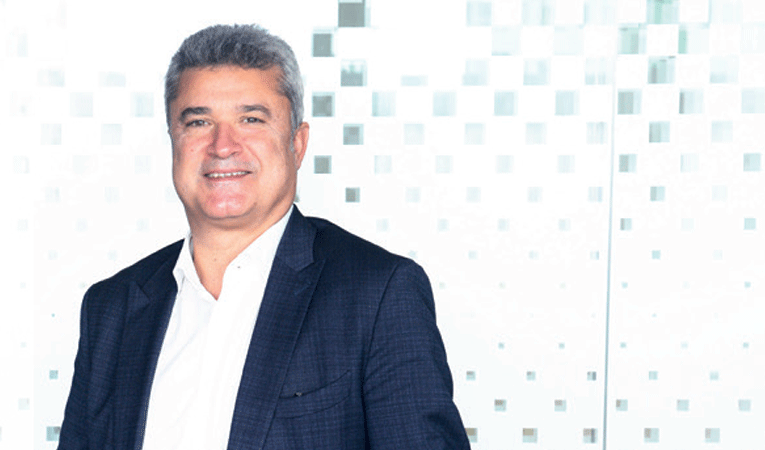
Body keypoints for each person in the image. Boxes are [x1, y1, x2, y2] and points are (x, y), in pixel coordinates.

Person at [57, 24, 470, 449]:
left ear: (297, 144)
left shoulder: (377, 294)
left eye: (251, 119)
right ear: (173, 143)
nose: (222, 146)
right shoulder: (112, 309)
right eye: (198, 122)